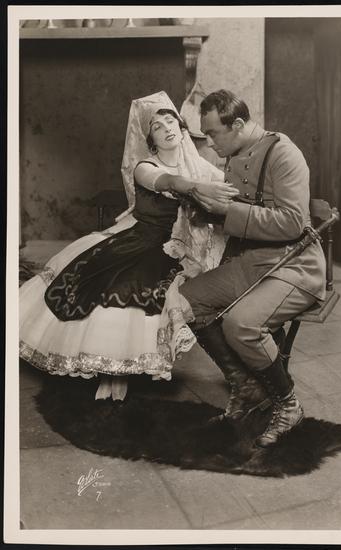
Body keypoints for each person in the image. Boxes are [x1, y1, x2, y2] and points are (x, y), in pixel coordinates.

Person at [19, 91, 236, 400]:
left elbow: (232, 189)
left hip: (180, 245)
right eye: (157, 127)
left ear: (181, 127)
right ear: (151, 140)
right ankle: (111, 371)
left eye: (170, 121)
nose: (166, 128)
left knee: (167, 288)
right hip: (141, 237)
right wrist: (196, 187)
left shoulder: (199, 166)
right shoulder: (145, 166)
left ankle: (127, 370)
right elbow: (169, 182)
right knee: (118, 282)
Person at [177, 89, 327, 447]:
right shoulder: (236, 153)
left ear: (238, 125)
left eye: (212, 133)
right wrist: (203, 210)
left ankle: (288, 406)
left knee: (241, 324)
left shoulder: (283, 153)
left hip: (294, 263)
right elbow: (245, 214)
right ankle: (246, 387)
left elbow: (292, 222)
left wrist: (227, 211)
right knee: (185, 301)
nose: (209, 143)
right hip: (254, 262)